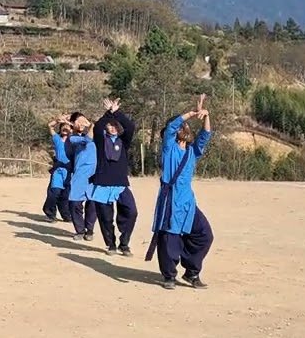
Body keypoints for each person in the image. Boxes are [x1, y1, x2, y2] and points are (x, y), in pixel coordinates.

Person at [147, 94, 215, 290]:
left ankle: (192, 272)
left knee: (204, 235)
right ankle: (169, 276)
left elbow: (205, 136)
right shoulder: (169, 148)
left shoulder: (192, 151)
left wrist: (206, 115)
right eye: (182, 127)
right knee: (169, 239)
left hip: (188, 203)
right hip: (170, 201)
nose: (186, 128)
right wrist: (190, 114)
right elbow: (170, 128)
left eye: (186, 127)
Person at [88, 98, 138, 256]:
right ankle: (111, 245)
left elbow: (130, 126)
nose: (113, 127)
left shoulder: (124, 142)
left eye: (116, 125)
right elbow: (98, 127)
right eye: (111, 124)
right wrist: (108, 114)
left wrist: (116, 112)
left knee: (131, 212)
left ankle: (125, 243)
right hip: (102, 183)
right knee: (105, 217)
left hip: (121, 184)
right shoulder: (101, 141)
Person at [66, 112, 98, 241]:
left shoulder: (97, 136)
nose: (81, 123)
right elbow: (87, 139)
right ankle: (80, 230)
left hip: (94, 174)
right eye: (77, 121)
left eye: (82, 120)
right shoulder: (73, 138)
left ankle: (89, 230)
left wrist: (90, 125)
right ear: (73, 124)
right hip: (79, 175)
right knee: (75, 203)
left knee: (93, 203)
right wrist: (91, 125)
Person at [42, 116, 72, 222]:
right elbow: (49, 126)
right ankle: (50, 213)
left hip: (69, 172)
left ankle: (66, 215)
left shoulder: (74, 140)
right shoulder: (57, 139)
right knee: (54, 192)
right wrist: (58, 121)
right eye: (63, 127)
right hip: (58, 170)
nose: (65, 128)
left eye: (68, 127)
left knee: (65, 195)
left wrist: (70, 123)